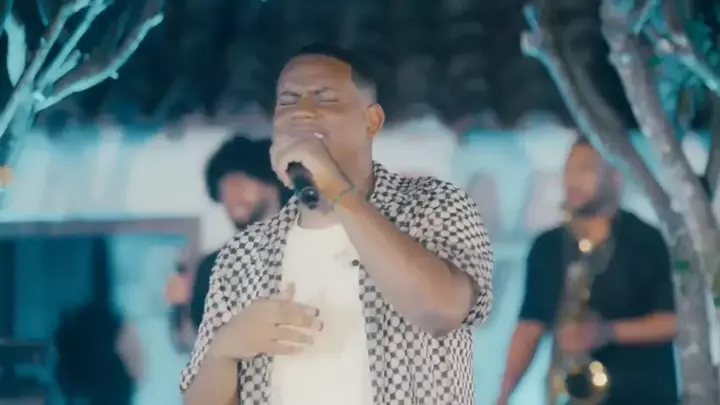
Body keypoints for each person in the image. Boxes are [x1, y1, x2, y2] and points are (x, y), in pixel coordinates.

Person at [179, 43, 494, 405]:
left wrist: (337, 188)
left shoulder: (434, 205)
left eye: (324, 98)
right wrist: (225, 348)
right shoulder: (241, 256)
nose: (302, 112)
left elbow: (443, 311)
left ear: (372, 121)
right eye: (288, 101)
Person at [496, 138, 678, 405]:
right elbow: (529, 327)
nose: (572, 180)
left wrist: (607, 332)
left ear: (615, 177)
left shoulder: (649, 241)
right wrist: (503, 395)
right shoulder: (548, 246)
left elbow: (676, 322)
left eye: (585, 170)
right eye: (568, 170)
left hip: (642, 396)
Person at [165, 135, 289, 330]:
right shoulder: (212, 267)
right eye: (223, 191)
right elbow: (203, 338)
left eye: (238, 184)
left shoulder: (311, 246)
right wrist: (185, 304)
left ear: (270, 181)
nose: (231, 197)